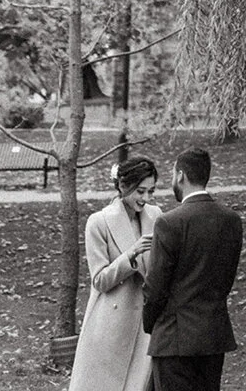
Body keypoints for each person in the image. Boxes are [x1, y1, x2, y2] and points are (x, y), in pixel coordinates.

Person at [142, 147, 244, 391]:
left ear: (180, 175)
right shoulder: (231, 219)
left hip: (174, 338)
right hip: (213, 336)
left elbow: (155, 287)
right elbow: (226, 279)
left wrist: (151, 324)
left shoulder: (169, 222)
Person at [69, 156, 161, 391]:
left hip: (144, 323)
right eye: (140, 191)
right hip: (110, 323)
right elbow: (99, 280)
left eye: (151, 191)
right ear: (123, 186)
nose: (146, 198)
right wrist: (131, 254)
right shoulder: (98, 222)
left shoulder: (156, 216)